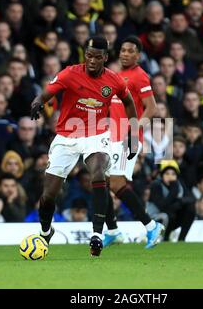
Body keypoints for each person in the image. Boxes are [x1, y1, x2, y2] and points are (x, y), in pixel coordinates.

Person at [29, 36, 139, 256]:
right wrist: (38, 102)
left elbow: (128, 102)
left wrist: (133, 135)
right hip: (67, 135)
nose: (92, 61)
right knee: (49, 194)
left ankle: (97, 235)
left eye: (97, 57)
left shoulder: (114, 80)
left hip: (97, 135)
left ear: (105, 58)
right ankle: (46, 231)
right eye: (89, 56)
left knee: (98, 173)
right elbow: (47, 93)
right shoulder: (70, 73)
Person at [102, 36, 164, 249]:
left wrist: (134, 132)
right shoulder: (117, 75)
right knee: (100, 180)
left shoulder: (139, 76)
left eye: (130, 51)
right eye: (122, 50)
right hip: (111, 135)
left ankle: (151, 226)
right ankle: (112, 230)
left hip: (125, 138)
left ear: (138, 55)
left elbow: (152, 108)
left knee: (117, 184)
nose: (125, 54)